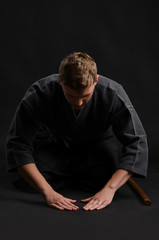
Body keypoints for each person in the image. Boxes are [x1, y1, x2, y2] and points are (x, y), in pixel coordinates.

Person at [6, 52, 148, 211]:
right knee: (27, 182)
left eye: (86, 96)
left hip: (97, 145)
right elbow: (18, 144)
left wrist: (110, 189)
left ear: (96, 80)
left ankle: (71, 176)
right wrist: (47, 192)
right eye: (71, 96)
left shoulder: (113, 93)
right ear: (60, 80)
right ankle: (74, 175)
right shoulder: (40, 93)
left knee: (105, 180)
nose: (78, 103)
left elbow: (137, 142)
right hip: (55, 146)